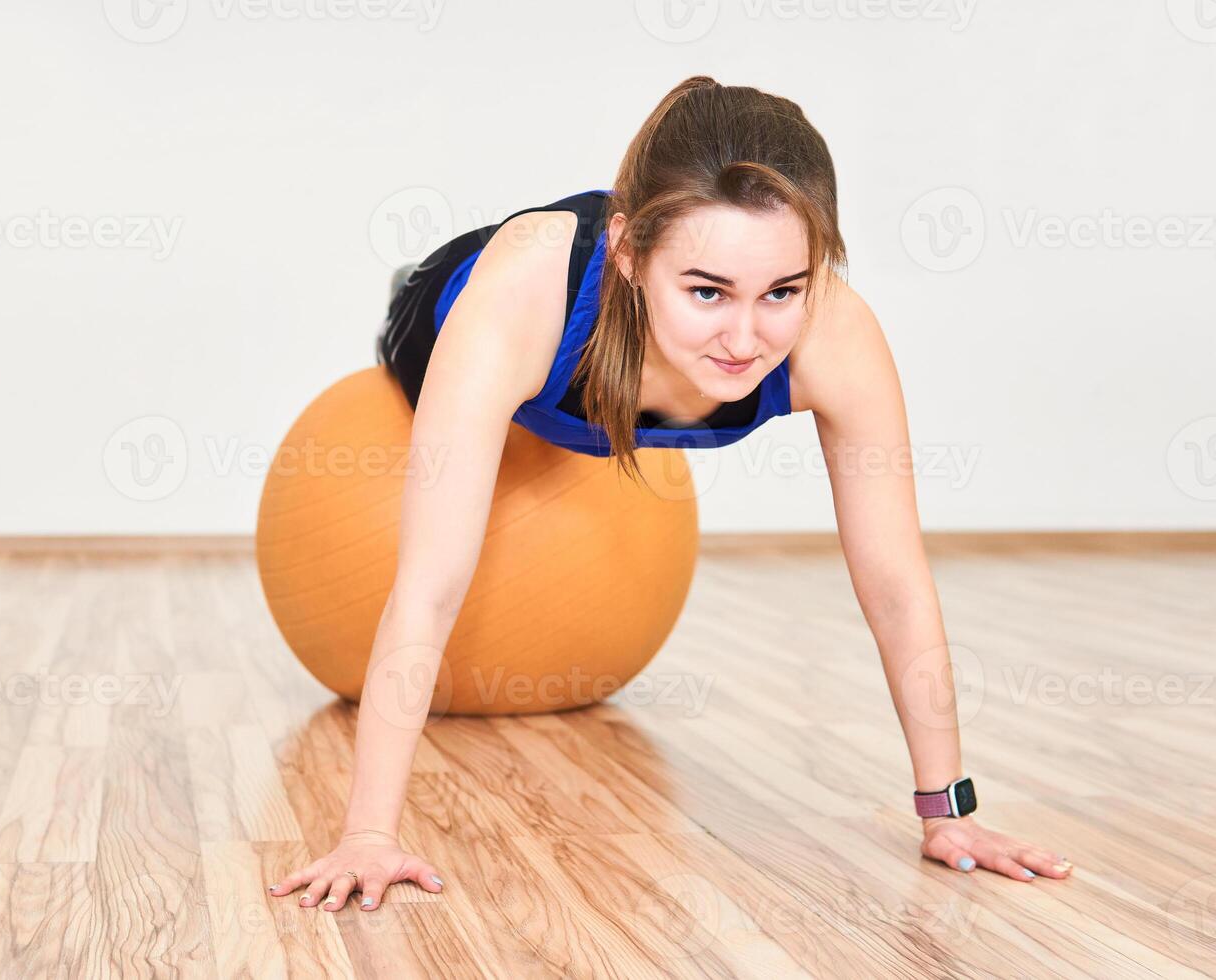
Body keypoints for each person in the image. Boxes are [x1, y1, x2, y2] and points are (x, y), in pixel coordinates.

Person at [269, 75, 1073, 914]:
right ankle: (416, 288)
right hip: (455, 316)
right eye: (706, 290)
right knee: (424, 360)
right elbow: (430, 586)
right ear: (627, 253)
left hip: (599, 363)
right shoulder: (519, 298)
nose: (743, 337)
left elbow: (896, 583)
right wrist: (367, 835)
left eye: (780, 292)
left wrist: (946, 812)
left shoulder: (834, 333)